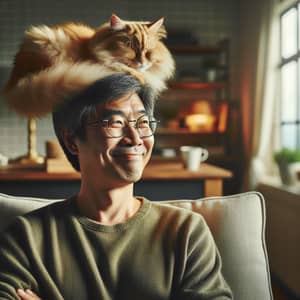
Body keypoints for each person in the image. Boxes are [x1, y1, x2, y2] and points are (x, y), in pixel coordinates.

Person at [0, 74, 232, 300]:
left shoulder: (186, 232)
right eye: (115, 122)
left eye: (143, 123)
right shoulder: (28, 236)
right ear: (72, 140)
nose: (135, 137)